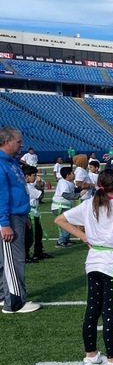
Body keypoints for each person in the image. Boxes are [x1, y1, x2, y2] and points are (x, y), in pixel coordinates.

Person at [54, 168, 113, 365]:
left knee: (92, 310)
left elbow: (60, 220)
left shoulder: (89, 204)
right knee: (110, 311)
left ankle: (90, 357)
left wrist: (84, 236)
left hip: (93, 263)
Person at [0, 127, 40, 314]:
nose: (21, 143)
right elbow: (1, 196)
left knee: (5, 260)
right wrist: (4, 223)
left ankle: (3, 296)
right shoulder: (2, 164)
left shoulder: (12, 162)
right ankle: (15, 303)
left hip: (17, 215)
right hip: (9, 217)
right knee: (13, 260)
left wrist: (24, 216)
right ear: (6, 142)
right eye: (18, 141)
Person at [22, 165, 51, 263]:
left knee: (38, 234)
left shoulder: (29, 185)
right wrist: (41, 184)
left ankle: (38, 252)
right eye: (34, 175)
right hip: (31, 214)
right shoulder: (27, 186)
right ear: (27, 176)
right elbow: (40, 195)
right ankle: (26, 255)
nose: (35, 177)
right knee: (30, 236)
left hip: (34, 212)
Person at [51, 166, 81, 247]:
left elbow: (74, 189)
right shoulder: (63, 183)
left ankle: (65, 239)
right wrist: (78, 195)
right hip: (60, 206)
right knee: (68, 223)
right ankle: (61, 241)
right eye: (72, 173)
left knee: (70, 222)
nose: (74, 174)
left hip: (64, 206)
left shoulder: (68, 182)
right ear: (68, 175)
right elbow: (65, 195)